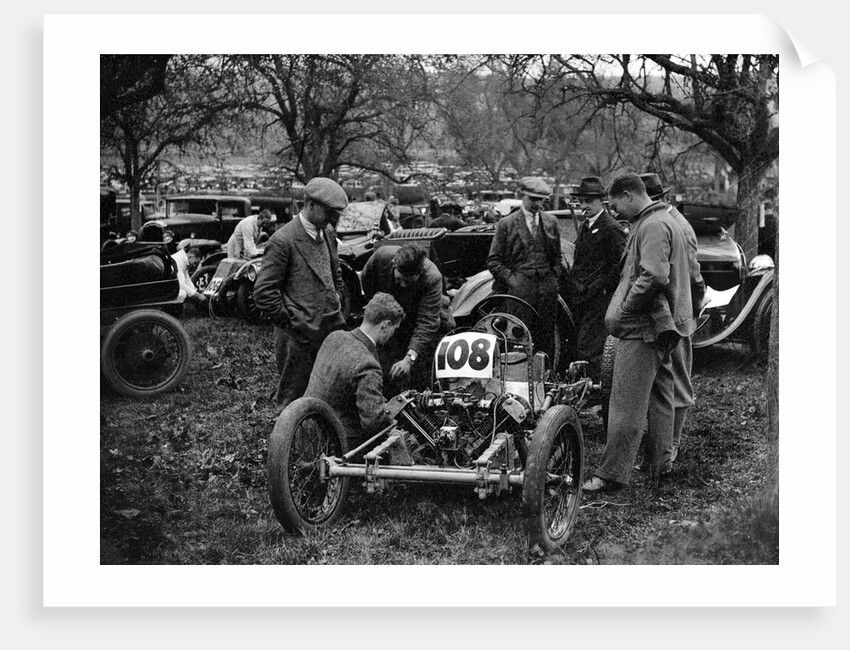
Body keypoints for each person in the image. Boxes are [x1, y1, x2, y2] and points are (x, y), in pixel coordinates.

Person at [583, 173, 695, 492]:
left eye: (616, 203)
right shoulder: (662, 219)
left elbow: (655, 276)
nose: (615, 211)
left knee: (625, 403)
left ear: (629, 195)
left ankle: (611, 474)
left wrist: (627, 306)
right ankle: (662, 464)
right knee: (660, 395)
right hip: (663, 325)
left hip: (644, 327)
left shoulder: (652, 225)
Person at [253, 177, 349, 413]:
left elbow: (334, 270)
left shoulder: (327, 233)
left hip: (331, 326)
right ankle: (287, 444)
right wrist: (294, 323)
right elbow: (264, 293)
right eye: (329, 212)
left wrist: (336, 295)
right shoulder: (283, 240)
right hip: (299, 335)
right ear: (311, 205)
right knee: (292, 398)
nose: (333, 219)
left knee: (330, 390)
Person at [640, 173, 707, 466]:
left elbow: (694, 278)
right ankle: (659, 447)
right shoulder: (663, 222)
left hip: (677, 317)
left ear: (659, 200)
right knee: (662, 382)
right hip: (662, 317)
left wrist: (687, 314)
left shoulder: (679, 227)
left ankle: (672, 444)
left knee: (678, 381)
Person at [304, 292, 406, 446]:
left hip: (306, 429)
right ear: (385, 325)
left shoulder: (335, 337)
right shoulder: (368, 364)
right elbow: (373, 423)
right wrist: (393, 425)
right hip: (336, 442)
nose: (393, 335)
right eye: (394, 329)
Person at [486, 176, 563, 361]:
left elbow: (557, 257)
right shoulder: (507, 224)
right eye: (533, 199)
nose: (537, 204)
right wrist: (513, 281)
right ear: (522, 197)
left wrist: (553, 278)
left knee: (546, 338)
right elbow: (493, 260)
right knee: (518, 338)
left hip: (547, 289)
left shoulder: (551, 222)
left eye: (541, 200)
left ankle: (547, 379)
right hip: (519, 291)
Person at [360, 243, 452, 394]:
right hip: (392, 314)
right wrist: (380, 307)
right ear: (393, 264)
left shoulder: (432, 278)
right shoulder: (381, 257)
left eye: (408, 282)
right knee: (384, 364)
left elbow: (427, 323)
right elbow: (366, 279)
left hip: (421, 317)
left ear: (420, 273)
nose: (402, 285)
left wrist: (409, 359)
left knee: (421, 373)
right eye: (399, 279)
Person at [568, 176, 627, 382]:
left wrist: (601, 288)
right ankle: (587, 385)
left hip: (599, 298)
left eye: (589, 202)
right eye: (581, 201)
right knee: (583, 343)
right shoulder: (586, 226)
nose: (584, 206)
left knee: (592, 346)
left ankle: (596, 390)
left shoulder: (611, 227)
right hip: (582, 296)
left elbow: (620, 263)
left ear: (600, 201)